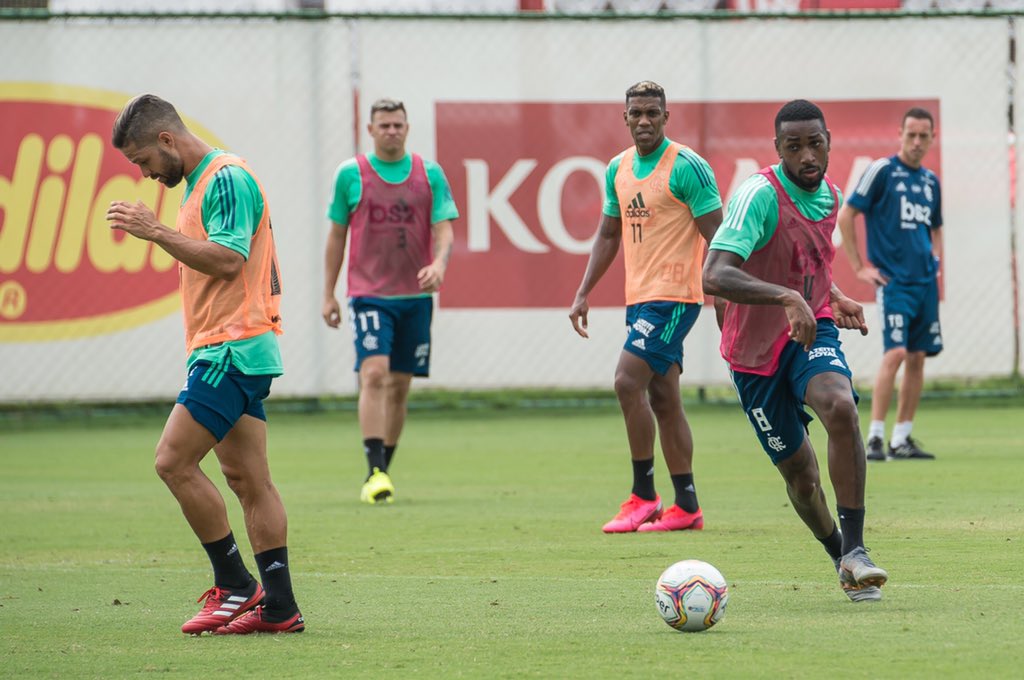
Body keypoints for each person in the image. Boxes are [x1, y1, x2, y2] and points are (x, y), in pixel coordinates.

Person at [106, 94, 303, 634]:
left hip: (231, 348)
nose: (146, 175)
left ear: (167, 140)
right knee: (249, 480)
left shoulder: (225, 178)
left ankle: (237, 584)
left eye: (144, 160)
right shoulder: (196, 184)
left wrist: (156, 232)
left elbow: (228, 259)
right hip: (231, 346)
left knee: (172, 461)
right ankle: (281, 608)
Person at [702, 99, 889, 602]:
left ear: (829, 140)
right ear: (777, 149)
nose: (807, 155)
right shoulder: (758, 196)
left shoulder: (831, 197)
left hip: (809, 332)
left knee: (841, 406)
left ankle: (857, 550)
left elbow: (807, 266)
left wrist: (831, 296)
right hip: (752, 354)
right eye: (794, 146)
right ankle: (839, 558)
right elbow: (714, 274)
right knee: (802, 478)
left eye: (815, 143)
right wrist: (787, 298)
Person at [569, 81, 723, 533]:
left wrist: (724, 294)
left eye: (652, 113)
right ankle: (687, 505)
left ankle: (643, 496)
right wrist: (583, 292)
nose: (644, 121)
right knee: (664, 398)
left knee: (625, 381)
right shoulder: (617, 168)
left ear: (666, 116)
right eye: (636, 113)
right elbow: (609, 234)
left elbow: (720, 236)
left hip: (676, 297)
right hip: (639, 299)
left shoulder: (688, 167)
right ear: (624, 117)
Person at [322, 98, 457, 504]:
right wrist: (328, 293)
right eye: (384, 125)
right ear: (371, 129)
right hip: (369, 296)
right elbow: (336, 236)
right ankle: (374, 471)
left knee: (399, 386)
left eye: (398, 124)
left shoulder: (429, 174)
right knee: (374, 374)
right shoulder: (351, 174)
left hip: (415, 297)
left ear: (408, 127)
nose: (392, 131)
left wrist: (438, 265)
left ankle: (384, 468)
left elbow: (445, 230)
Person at [837, 107, 942, 461]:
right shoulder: (882, 171)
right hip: (894, 282)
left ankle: (902, 439)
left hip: (925, 282)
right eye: (910, 134)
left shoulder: (930, 182)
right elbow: (848, 213)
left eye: (923, 136)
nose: (916, 142)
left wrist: (936, 260)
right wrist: (859, 267)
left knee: (917, 357)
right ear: (900, 134)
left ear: (931, 138)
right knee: (895, 353)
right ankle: (875, 437)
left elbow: (936, 226)